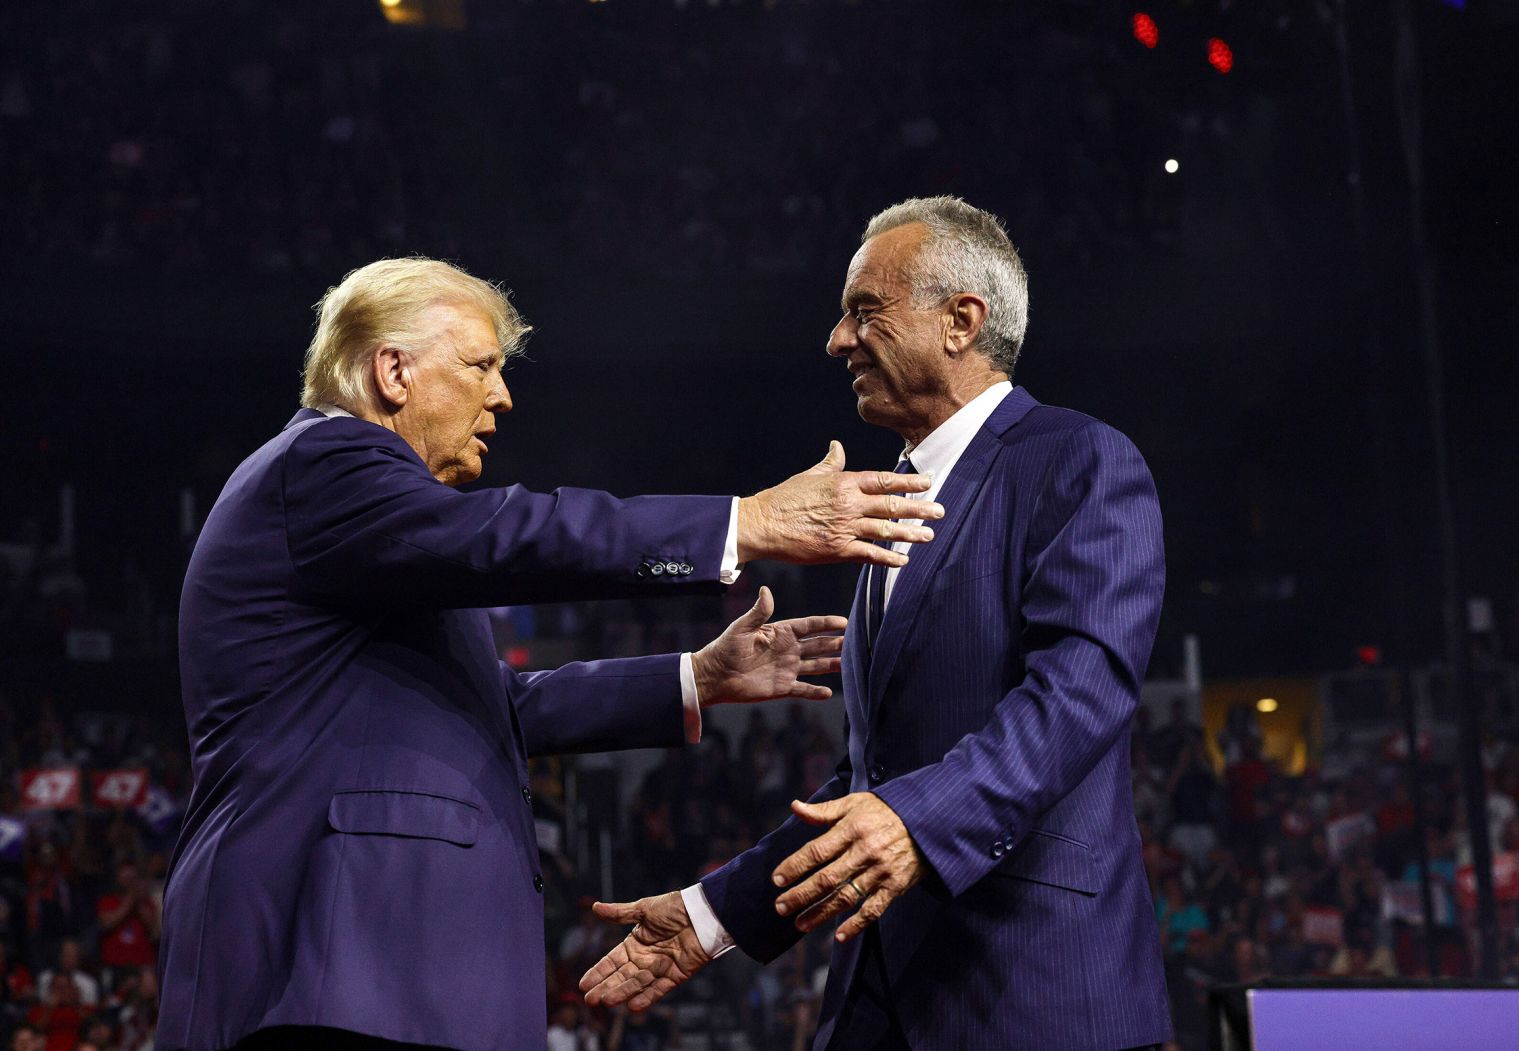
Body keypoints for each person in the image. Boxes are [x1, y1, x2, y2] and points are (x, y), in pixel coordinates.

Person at [157, 257, 945, 1051]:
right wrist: (742, 523)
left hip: (386, 973)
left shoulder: (375, 537)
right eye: (480, 366)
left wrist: (698, 678)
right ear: (392, 370)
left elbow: (496, 706)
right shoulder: (325, 465)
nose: (501, 396)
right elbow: (512, 535)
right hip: (331, 968)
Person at [582, 197, 1170, 1049]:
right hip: (880, 996)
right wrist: (714, 914)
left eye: (865, 311)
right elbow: (872, 777)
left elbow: (1080, 693)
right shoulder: (895, 500)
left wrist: (914, 821)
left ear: (962, 320)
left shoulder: (1079, 460)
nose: (836, 340)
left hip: (1034, 991)